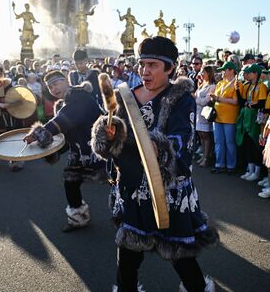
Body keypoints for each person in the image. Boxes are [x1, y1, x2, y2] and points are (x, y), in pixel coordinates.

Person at [91, 37, 218, 291]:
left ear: (170, 68)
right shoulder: (124, 97)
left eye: (152, 65)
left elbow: (182, 139)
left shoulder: (181, 99)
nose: (144, 71)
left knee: (178, 251)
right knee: (128, 250)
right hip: (131, 186)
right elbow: (111, 137)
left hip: (168, 190)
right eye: (142, 64)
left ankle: (196, 287)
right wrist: (110, 135)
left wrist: (158, 146)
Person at [23, 70, 107, 232]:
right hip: (79, 153)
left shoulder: (80, 98)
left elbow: (63, 120)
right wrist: (52, 151)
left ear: (66, 81)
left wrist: (37, 134)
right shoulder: (64, 104)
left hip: (100, 152)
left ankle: (133, 217)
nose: (53, 89)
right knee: (70, 181)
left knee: (116, 184)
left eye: (56, 84)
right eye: (50, 87)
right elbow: (65, 136)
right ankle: (78, 218)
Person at [237, 63, 268, 181]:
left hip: (255, 119)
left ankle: (256, 172)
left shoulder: (262, 86)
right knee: (248, 144)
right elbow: (243, 101)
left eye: (249, 72)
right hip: (247, 118)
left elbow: (261, 102)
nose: (247, 75)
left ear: (255, 74)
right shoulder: (247, 86)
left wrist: (251, 104)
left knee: (256, 145)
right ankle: (250, 170)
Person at [210, 61, 239, 174]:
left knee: (230, 142)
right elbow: (217, 98)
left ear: (231, 71)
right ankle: (219, 164)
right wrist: (213, 98)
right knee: (218, 142)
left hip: (230, 118)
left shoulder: (237, 84)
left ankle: (231, 166)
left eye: (224, 70)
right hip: (218, 117)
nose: (222, 72)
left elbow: (236, 101)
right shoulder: (220, 83)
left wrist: (219, 99)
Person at [194, 65, 216, 167]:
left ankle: (207, 157)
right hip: (198, 113)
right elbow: (196, 95)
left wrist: (195, 100)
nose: (201, 74)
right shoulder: (202, 84)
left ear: (209, 74)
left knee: (206, 135)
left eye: (204, 72)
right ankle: (203, 155)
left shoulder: (212, 86)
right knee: (201, 135)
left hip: (205, 113)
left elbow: (206, 101)